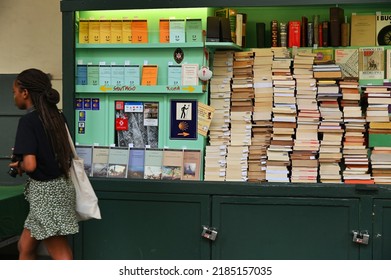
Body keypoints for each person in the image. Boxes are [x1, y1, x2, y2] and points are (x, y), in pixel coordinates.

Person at [9, 68, 79, 260]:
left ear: (25, 93)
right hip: (61, 187)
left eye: (14, 92)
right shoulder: (57, 116)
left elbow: (30, 165)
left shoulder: (28, 121)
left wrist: (19, 165)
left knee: (59, 251)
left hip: (45, 195)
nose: (14, 97)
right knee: (25, 246)